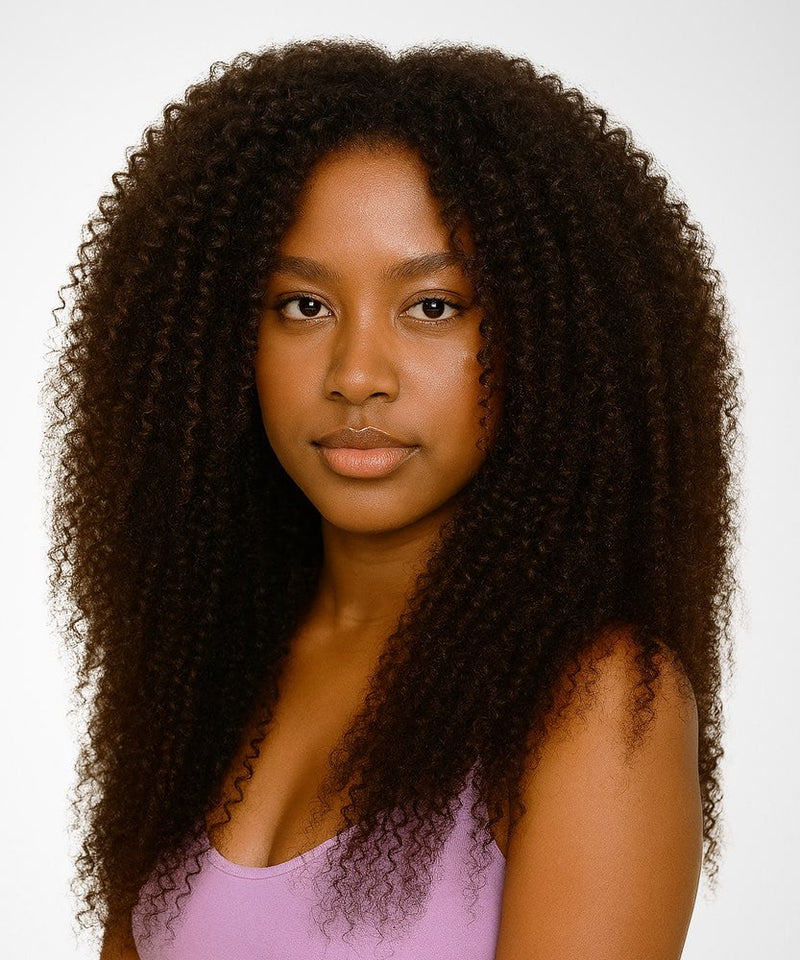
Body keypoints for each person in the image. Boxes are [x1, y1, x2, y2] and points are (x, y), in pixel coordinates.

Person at [41, 38, 742, 960]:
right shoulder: (211, 667)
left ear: (554, 337)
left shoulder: (591, 701)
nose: (357, 375)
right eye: (302, 305)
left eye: (433, 306)